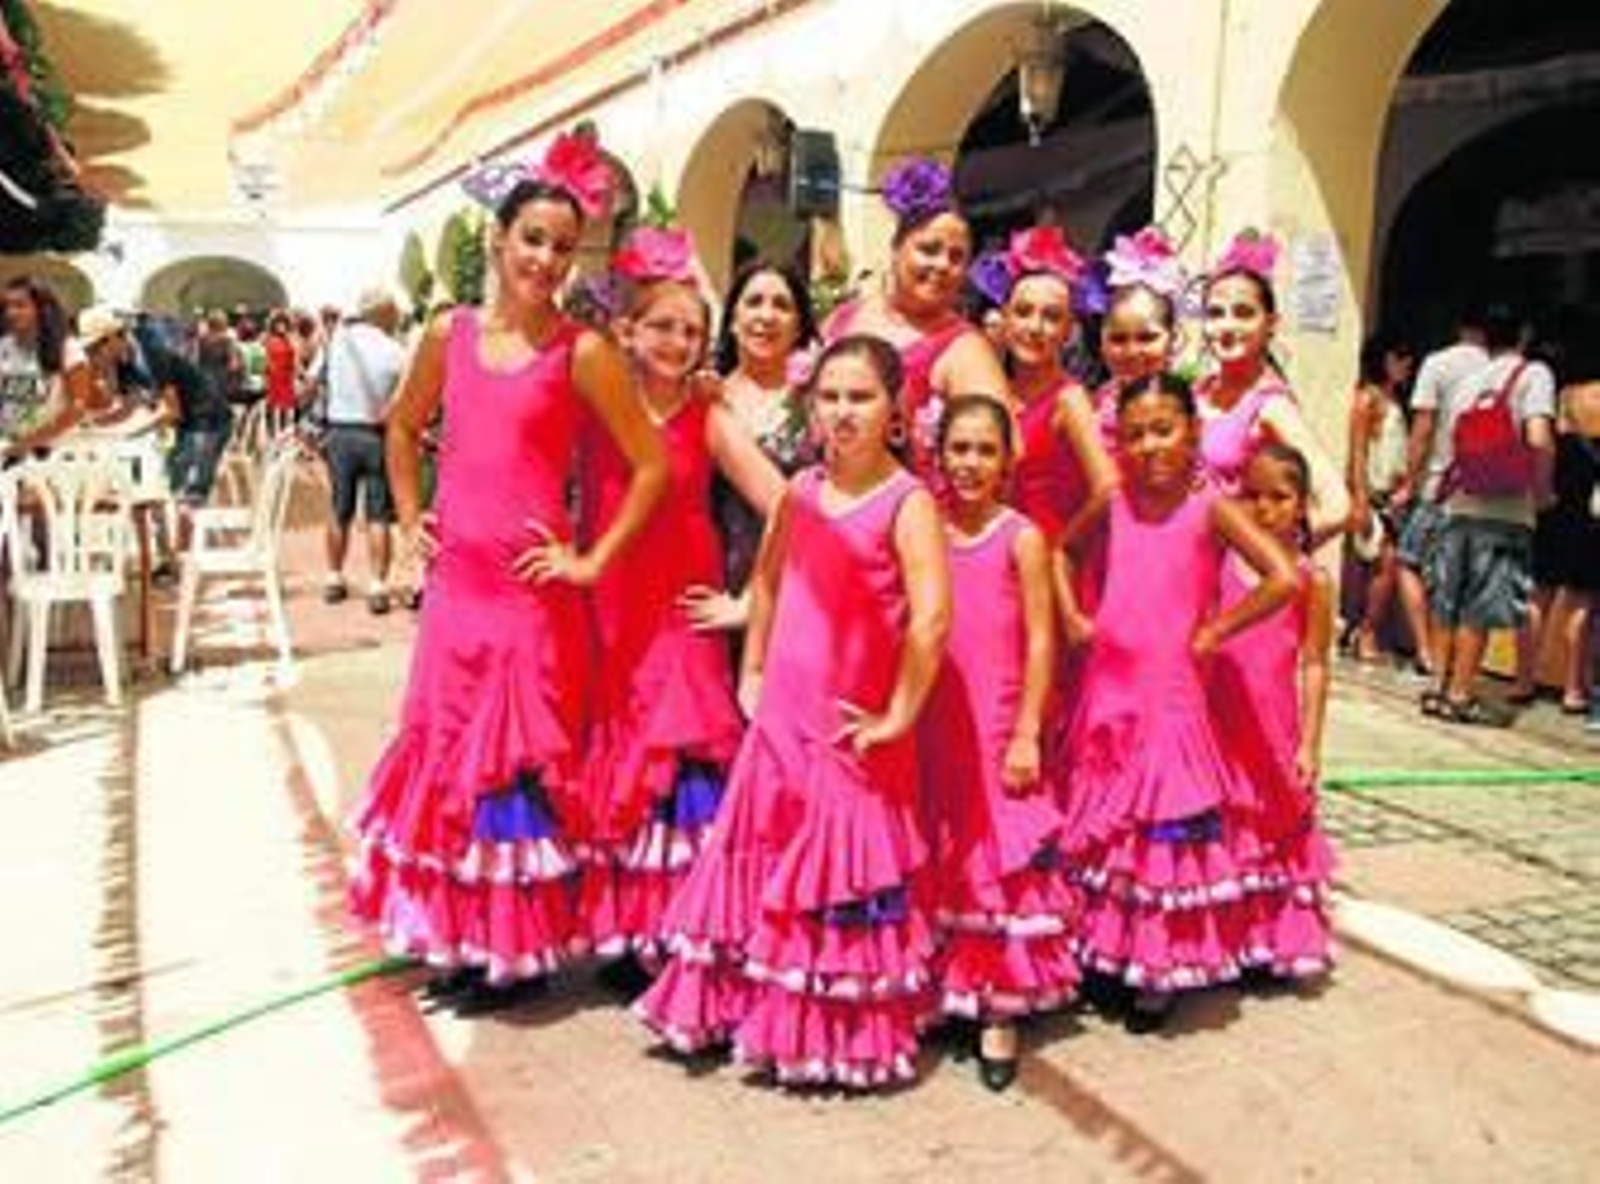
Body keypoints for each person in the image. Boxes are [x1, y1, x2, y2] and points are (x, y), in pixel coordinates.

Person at [347, 132, 668, 1015]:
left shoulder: (583, 351)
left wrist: (590, 558)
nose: (546, 260)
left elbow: (649, 464)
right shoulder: (445, 335)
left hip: (532, 598)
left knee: (514, 766)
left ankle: (515, 954)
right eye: (533, 239)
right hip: (457, 591)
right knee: (450, 755)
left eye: (563, 247)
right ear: (499, 239)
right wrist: (409, 518)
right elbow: (402, 428)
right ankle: (468, 939)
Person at [637, 335, 951, 1090]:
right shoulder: (802, 489)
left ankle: (832, 1035)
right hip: (784, 711)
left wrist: (900, 714)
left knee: (837, 870)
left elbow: (933, 618)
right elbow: (770, 579)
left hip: (853, 724)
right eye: (830, 396)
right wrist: (751, 668)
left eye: (861, 397)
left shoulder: (907, 502)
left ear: (895, 411)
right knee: (762, 852)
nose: (843, 412)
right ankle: (737, 1008)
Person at [1059, 372, 1296, 1032]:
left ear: (1192, 432)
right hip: (1110, 687)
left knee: (1160, 829)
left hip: (1173, 693)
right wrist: (1074, 617)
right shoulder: (1113, 501)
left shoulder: (1211, 507)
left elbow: (1281, 577)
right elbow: (1062, 551)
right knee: (1108, 824)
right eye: (1134, 435)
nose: (1149, 446)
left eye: (1163, 430)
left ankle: (1155, 968)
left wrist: (1218, 630)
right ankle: (1103, 946)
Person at [575, 228, 784, 977]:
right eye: (662, 326)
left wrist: (748, 603)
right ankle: (630, 932)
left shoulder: (708, 416)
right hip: (610, 612)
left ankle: (685, 932)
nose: (678, 342)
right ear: (627, 330)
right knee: (620, 763)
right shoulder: (597, 406)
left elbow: (787, 504)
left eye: (692, 331)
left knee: (681, 766)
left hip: (681, 614)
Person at [921, 394, 1077, 1092]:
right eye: (959, 448)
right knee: (938, 845)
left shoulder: (1021, 537)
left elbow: (1043, 640)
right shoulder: (923, 526)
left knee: (996, 857)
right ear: (938, 454)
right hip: (933, 717)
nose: (971, 463)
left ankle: (997, 1008)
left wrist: (1027, 732)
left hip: (997, 718)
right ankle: (939, 983)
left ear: (1008, 461)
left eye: (986, 450)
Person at [1211, 445, 1337, 983]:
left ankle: (1267, 940)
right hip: (1219, 724)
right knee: (1223, 832)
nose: (1264, 509)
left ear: (1302, 505)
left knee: (1271, 830)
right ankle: (1222, 936)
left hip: (1273, 727)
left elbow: (1314, 663)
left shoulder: (1312, 580)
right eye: (1252, 496)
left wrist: (1309, 743)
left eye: (1279, 497)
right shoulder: (1219, 564)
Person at [823, 157, 1009, 476]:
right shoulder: (843, 318)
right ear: (896, 248)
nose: (942, 265)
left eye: (956, 257)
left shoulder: (966, 350)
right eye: (929, 249)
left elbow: (1004, 451)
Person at [1421, 302, 1556, 726]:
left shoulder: (1470, 380)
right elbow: (1539, 438)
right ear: (1524, 334)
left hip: (1459, 503)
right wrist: (1542, 490)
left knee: (1449, 599)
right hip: (1505, 508)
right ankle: (1461, 694)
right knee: (1479, 604)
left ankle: (1437, 687)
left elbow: (1450, 440)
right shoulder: (1534, 374)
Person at [681, 258, 819, 635]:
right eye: (754, 302)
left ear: (799, 326)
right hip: (715, 590)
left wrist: (751, 605)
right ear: (732, 319)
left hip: (799, 594)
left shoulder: (820, 404)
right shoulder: (702, 396)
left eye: (782, 305)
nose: (766, 316)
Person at [1194, 231, 1351, 545]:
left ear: (1270, 324)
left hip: (1231, 569)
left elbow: (1338, 506)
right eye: (1215, 313)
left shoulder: (1270, 406)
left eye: (1243, 313)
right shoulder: (1197, 391)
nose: (1227, 327)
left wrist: (1275, 556)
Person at [1392, 304, 1491, 680]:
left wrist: (1408, 482)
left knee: (1408, 562)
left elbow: (1423, 428)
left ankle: (1427, 651)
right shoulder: (1502, 368)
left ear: (1459, 326)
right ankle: (1459, 666)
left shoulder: (1439, 364)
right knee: (1466, 580)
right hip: (1487, 491)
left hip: (1440, 486)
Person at [1525, 326, 1600, 719]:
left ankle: (1524, 679)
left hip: (1555, 505)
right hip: (1590, 513)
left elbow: (1550, 445)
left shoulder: (1566, 396)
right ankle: (1573, 688)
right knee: (1581, 603)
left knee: (1538, 596)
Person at [320, 289, 407, 614]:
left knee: (338, 508)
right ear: (386, 315)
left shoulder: (338, 341)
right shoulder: (396, 350)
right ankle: (377, 585)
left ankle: (333, 577)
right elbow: (405, 397)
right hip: (376, 435)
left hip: (340, 433)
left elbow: (317, 380)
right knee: (378, 513)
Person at [1345, 332, 1418, 663]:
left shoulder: (1394, 400)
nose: (1406, 364)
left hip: (1391, 496)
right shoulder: (1368, 399)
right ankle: (1366, 631)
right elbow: (1358, 452)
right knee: (1383, 565)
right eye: (1399, 357)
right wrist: (1360, 498)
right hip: (1374, 496)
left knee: (1381, 565)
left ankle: (1362, 630)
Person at [0, 276, 91, 457]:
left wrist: (26, 444)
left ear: (42, 309)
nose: (11, 313)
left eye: (20, 305)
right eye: (6, 306)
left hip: (55, 454)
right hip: (9, 447)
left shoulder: (68, 349)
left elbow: (77, 409)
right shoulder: (4, 346)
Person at [263, 311, 300, 437]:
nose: (280, 326)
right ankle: (271, 432)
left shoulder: (290, 339)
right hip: (273, 375)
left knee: (285, 406)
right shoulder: (268, 339)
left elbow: (295, 356)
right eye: (278, 323)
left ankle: (283, 432)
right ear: (273, 324)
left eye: (283, 323)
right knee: (271, 404)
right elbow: (266, 357)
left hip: (286, 375)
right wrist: (268, 369)